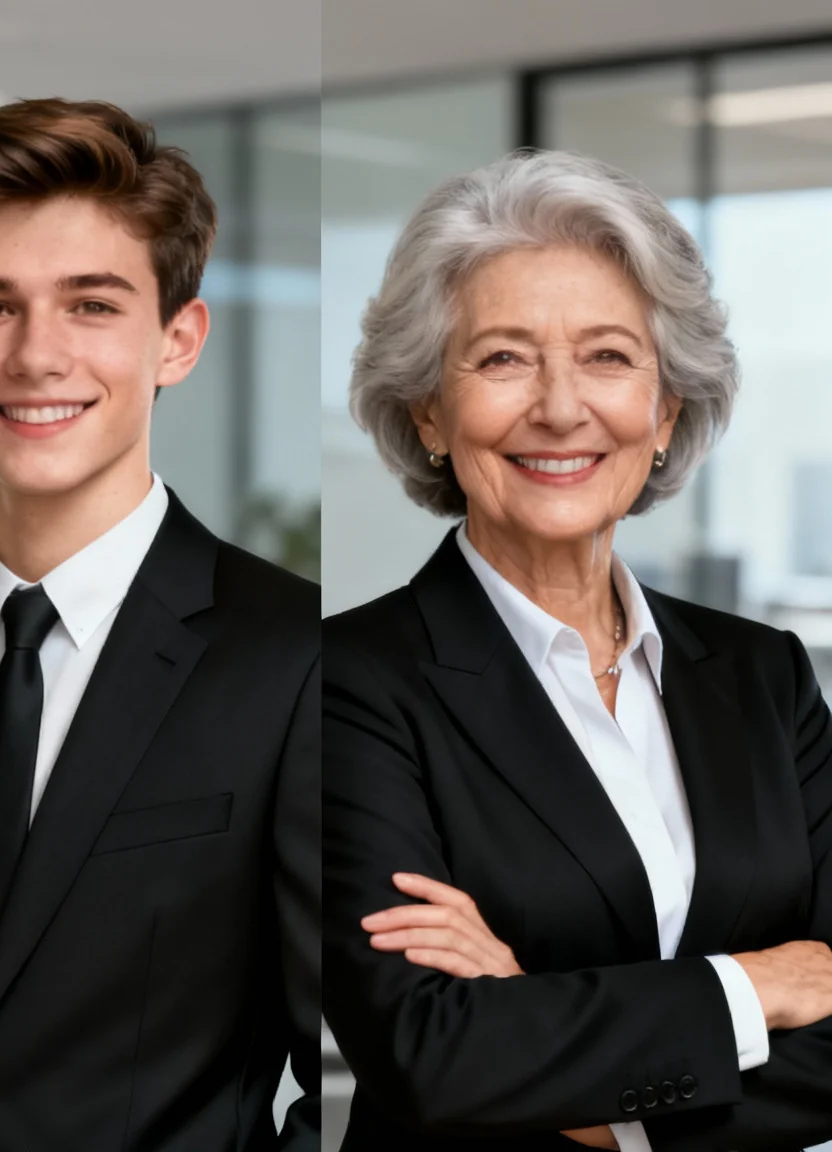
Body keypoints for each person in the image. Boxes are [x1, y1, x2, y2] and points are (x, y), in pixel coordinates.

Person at [0, 97, 320, 1151]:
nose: (38, 357)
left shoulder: (295, 658)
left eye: (91, 306)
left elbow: (350, 1069)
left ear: (176, 340)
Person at [325, 149, 832, 1151]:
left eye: (606, 356)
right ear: (428, 409)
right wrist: (751, 986)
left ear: (663, 410)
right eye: (502, 357)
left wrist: (544, 1032)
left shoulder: (761, 677)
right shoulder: (341, 686)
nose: (560, 407)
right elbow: (432, 1052)